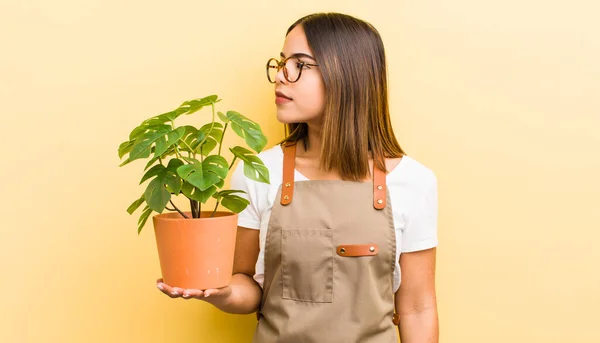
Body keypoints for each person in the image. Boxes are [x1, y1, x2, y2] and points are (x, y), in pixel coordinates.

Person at [157, 12, 439, 343]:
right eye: (280, 63)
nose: (280, 76)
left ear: (347, 74)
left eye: (299, 65)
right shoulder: (258, 172)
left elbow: (418, 308)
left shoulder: (413, 182)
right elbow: (248, 285)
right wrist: (218, 291)